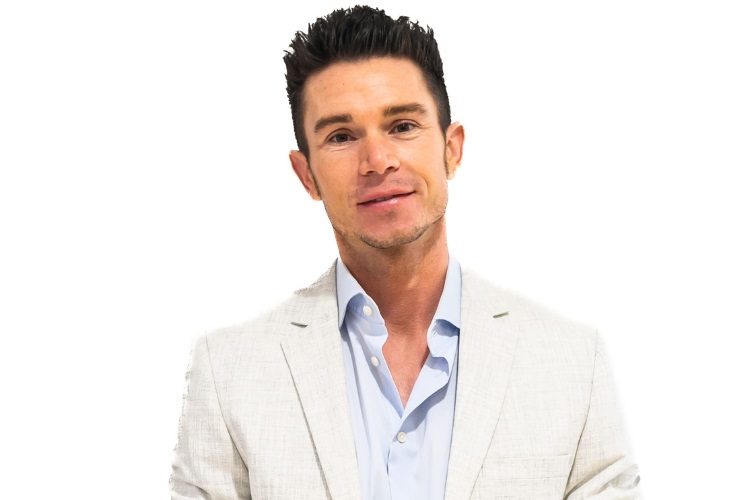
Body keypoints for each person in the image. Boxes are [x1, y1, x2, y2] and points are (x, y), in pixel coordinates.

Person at [170, 6, 641, 499]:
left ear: (451, 149)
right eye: (341, 136)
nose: (378, 161)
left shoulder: (572, 363)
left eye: (402, 126)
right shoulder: (228, 373)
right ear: (306, 175)